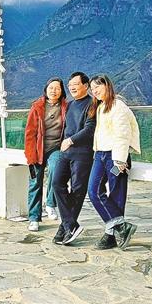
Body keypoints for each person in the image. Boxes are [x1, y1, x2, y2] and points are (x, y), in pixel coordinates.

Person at [86, 74, 141, 250]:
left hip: (115, 157)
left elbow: (122, 135)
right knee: (94, 191)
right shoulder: (101, 107)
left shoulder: (118, 106)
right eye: (92, 89)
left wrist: (120, 160)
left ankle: (111, 235)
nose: (95, 91)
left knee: (116, 195)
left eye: (97, 87)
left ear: (107, 86)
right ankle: (122, 227)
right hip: (100, 154)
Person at [52, 72, 96, 246]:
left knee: (77, 190)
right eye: (70, 85)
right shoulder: (70, 105)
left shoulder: (93, 104)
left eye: (75, 84)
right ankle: (70, 224)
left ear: (86, 85)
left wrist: (70, 140)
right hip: (65, 153)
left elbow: (90, 129)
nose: (72, 87)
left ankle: (65, 228)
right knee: (56, 183)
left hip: (82, 154)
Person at [23, 77, 67, 232]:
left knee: (57, 171)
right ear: (46, 90)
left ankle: (50, 203)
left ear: (62, 91)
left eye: (57, 88)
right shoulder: (37, 107)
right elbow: (29, 133)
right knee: (35, 183)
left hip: (56, 148)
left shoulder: (66, 107)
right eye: (51, 88)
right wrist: (30, 156)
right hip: (38, 149)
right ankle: (34, 218)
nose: (54, 91)